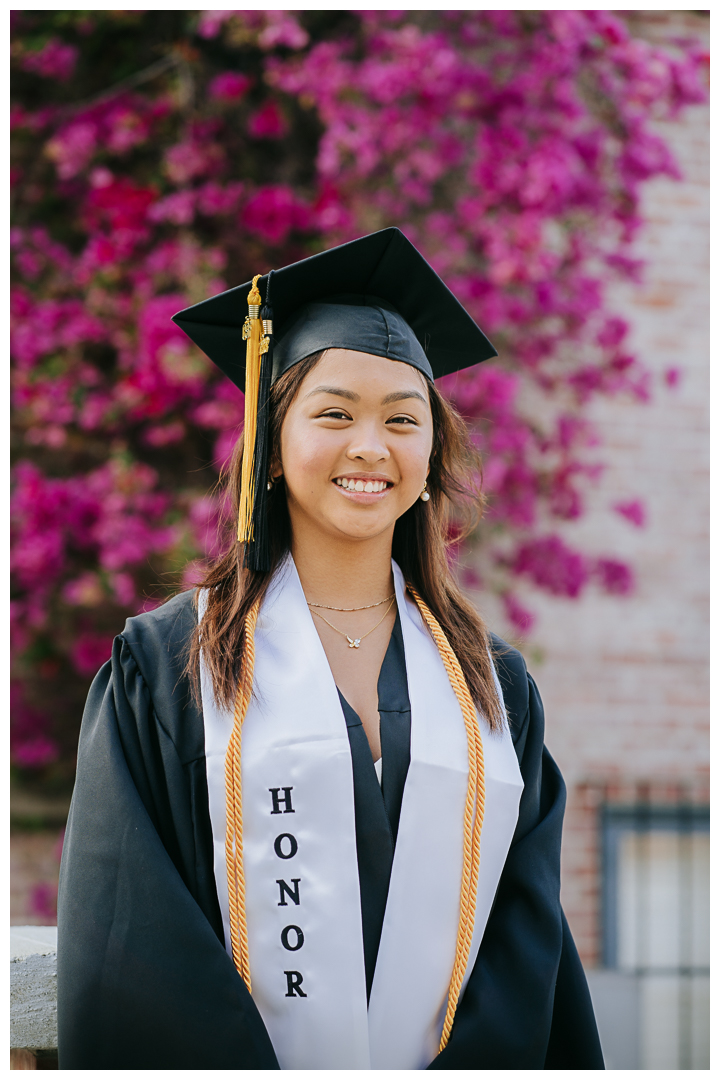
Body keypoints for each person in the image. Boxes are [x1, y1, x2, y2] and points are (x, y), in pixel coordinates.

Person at [57, 228, 604, 1070]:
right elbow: (136, 944)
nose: (370, 447)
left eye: (402, 420)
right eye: (334, 413)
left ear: (431, 457)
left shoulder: (492, 687)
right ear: (271, 449)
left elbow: (526, 943)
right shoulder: (170, 669)